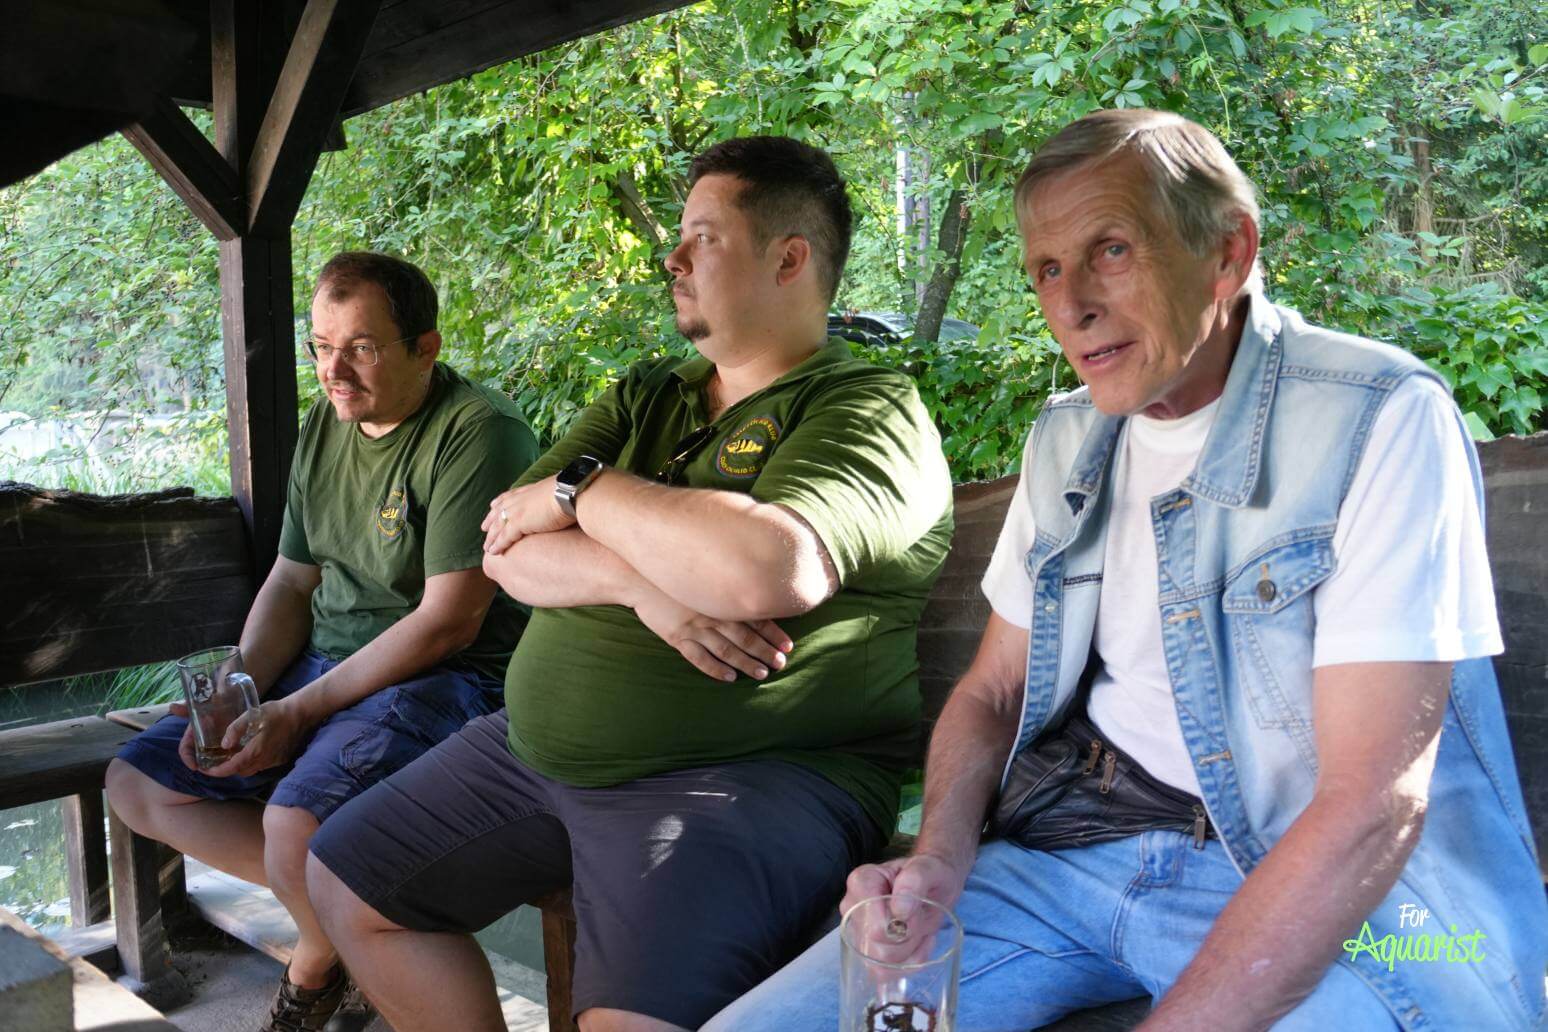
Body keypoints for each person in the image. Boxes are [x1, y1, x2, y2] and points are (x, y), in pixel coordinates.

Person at [705, 109, 1547, 1031]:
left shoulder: (1378, 417)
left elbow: (1370, 808)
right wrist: (939, 861)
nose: (1070, 306)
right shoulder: (1069, 438)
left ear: (1228, 252)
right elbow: (993, 690)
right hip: (1067, 862)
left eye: (1110, 251)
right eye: (1046, 270)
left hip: (1332, 895)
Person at [303, 136, 955, 1032]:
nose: (671, 257)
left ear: (789, 259)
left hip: (740, 779)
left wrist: (584, 492)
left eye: (702, 238)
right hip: (529, 753)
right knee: (347, 881)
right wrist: (644, 586)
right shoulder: (650, 394)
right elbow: (504, 547)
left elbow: (767, 566)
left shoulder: (866, 406)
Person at [106, 251, 539, 1032]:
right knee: (139, 783)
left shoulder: (479, 431)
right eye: (322, 346)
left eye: (362, 348)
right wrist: (239, 685)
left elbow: (451, 620)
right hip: (324, 664)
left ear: (426, 347)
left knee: (294, 825)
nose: (334, 371)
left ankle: (314, 965)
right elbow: (290, 581)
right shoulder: (326, 421)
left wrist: (298, 712)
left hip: (442, 677)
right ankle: (342, 925)